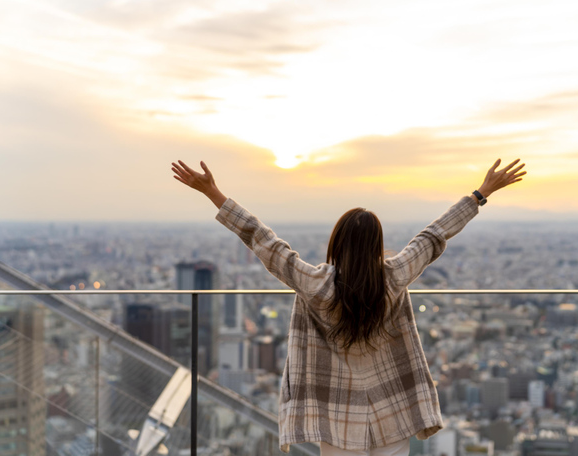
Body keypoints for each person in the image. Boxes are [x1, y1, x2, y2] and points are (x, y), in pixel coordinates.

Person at [171, 158, 526, 456]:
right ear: (377, 243)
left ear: (337, 242)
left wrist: (212, 193)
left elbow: (264, 241)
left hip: (336, 417)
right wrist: (481, 194)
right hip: (391, 411)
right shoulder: (395, 276)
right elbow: (433, 236)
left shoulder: (315, 285)